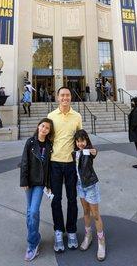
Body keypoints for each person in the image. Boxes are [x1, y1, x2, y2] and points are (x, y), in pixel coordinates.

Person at [48, 87, 82, 252]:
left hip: (70, 164)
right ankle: (59, 231)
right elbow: (46, 140)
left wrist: (90, 152)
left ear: (71, 98)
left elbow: (80, 139)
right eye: (62, 95)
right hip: (54, 163)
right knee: (56, 200)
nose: (65, 98)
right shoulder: (51, 116)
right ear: (57, 97)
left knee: (72, 199)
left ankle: (72, 230)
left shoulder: (77, 116)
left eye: (67, 95)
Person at [20, 118, 54, 262]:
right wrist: (23, 181)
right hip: (29, 182)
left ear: (49, 131)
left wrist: (49, 184)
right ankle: (35, 239)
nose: (44, 129)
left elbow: (50, 167)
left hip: (40, 183)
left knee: (33, 211)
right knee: (30, 212)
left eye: (47, 128)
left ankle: (32, 244)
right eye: (42, 126)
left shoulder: (49, 145)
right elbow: (24, 162)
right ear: (38, 127)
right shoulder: (30, 142)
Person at [73, 129, 106, 261]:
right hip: (80, 186)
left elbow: (93, 153)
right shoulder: (74, 153)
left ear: (86, 141)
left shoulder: (89, 151)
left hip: (91, 186)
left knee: (95, 214)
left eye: (83, 141)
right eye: (78, 141)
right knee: (86, 212)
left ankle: (101, 241)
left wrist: (94, 151)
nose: (80, 143)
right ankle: (88, 235)